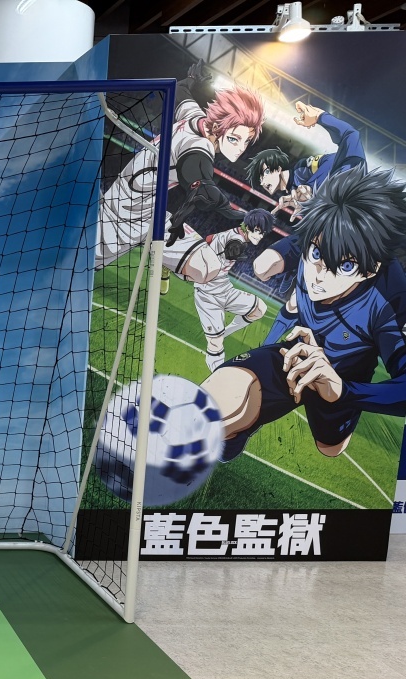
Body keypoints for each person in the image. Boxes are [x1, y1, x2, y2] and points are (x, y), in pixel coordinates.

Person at [203, 167, 406, 462]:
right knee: (226, 391)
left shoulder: (391, 299)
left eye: (345, 266)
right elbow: (291, 249)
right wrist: (275, 257)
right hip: (296, 354)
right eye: (316, 255)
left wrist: (343, 390)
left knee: (330, 448)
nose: (320, 275)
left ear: (371, 268)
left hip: (342, 379)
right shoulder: (320, 232)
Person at [97, 64, 264, 287]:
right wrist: (236, 213)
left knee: (207, 267)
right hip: (122, 217)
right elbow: (198, 177)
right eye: (235, 138)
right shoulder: (200, 148)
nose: (240, 148)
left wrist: (192, 78)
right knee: (75, 267)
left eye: (246, 140)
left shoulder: (195, 117)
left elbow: (179, 90)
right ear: (217, 127)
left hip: (154, 215)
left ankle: (162, 264)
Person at [251, 101, 367, 285]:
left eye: (263, 175)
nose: (262, 183)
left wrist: (321, 117)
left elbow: (349, 138)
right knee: (262, 267)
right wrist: (307, 199)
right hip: (316, 240)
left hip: (345, 250)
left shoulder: (348, 169)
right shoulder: (296, 184)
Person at [180, 208, 275, 371]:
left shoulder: (238, 231)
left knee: (259, 309)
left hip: (224, 288)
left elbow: (209, 238)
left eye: (263, 233)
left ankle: (224, 333)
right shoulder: (236, 240)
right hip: (208, 294)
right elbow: (232, 247)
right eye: (260, 232)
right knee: (215, 345)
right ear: (251, 227)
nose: (261, 237)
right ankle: (216, 375)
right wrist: (233, 250)